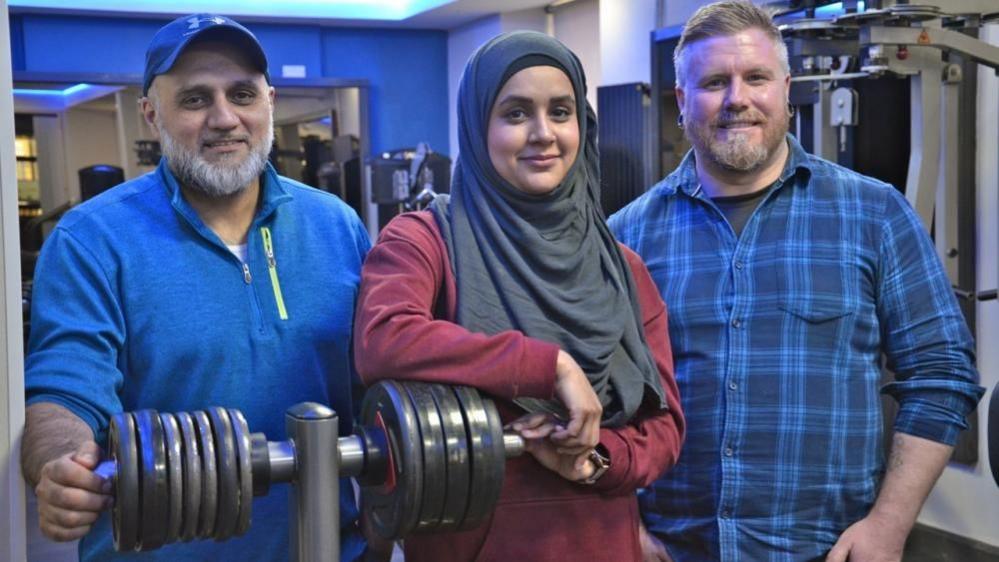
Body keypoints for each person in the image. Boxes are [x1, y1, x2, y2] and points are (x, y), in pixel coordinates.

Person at [608, 2, 984, 561]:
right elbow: (599, 401)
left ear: (785, 88)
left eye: (755, 77)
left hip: (828, 552)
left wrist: (889, 524)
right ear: (683, 102)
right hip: (672, 550)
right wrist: (622, 527)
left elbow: (942, 374)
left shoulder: (874, 215)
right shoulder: (625, 236)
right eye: (714, 82)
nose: (737, 98)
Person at [20, 14, 370, 561]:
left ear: (270, 102)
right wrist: (62, 465)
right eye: (194, 100)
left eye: (243, 94)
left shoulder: (338, 226)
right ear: (151, 114)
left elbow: (375, 390)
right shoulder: (90, 239)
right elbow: (64, 393)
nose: (225, 118)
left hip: (324, 549)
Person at [353, 31, 685, 561]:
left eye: (560, 111)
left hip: (601, 541)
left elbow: (664, 428)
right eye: (514, 114)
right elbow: (384, 338)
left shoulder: (620, 267)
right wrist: (548, 366)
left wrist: (594, 457)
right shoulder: (424, 240)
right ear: (477, 125)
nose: (543, 134)